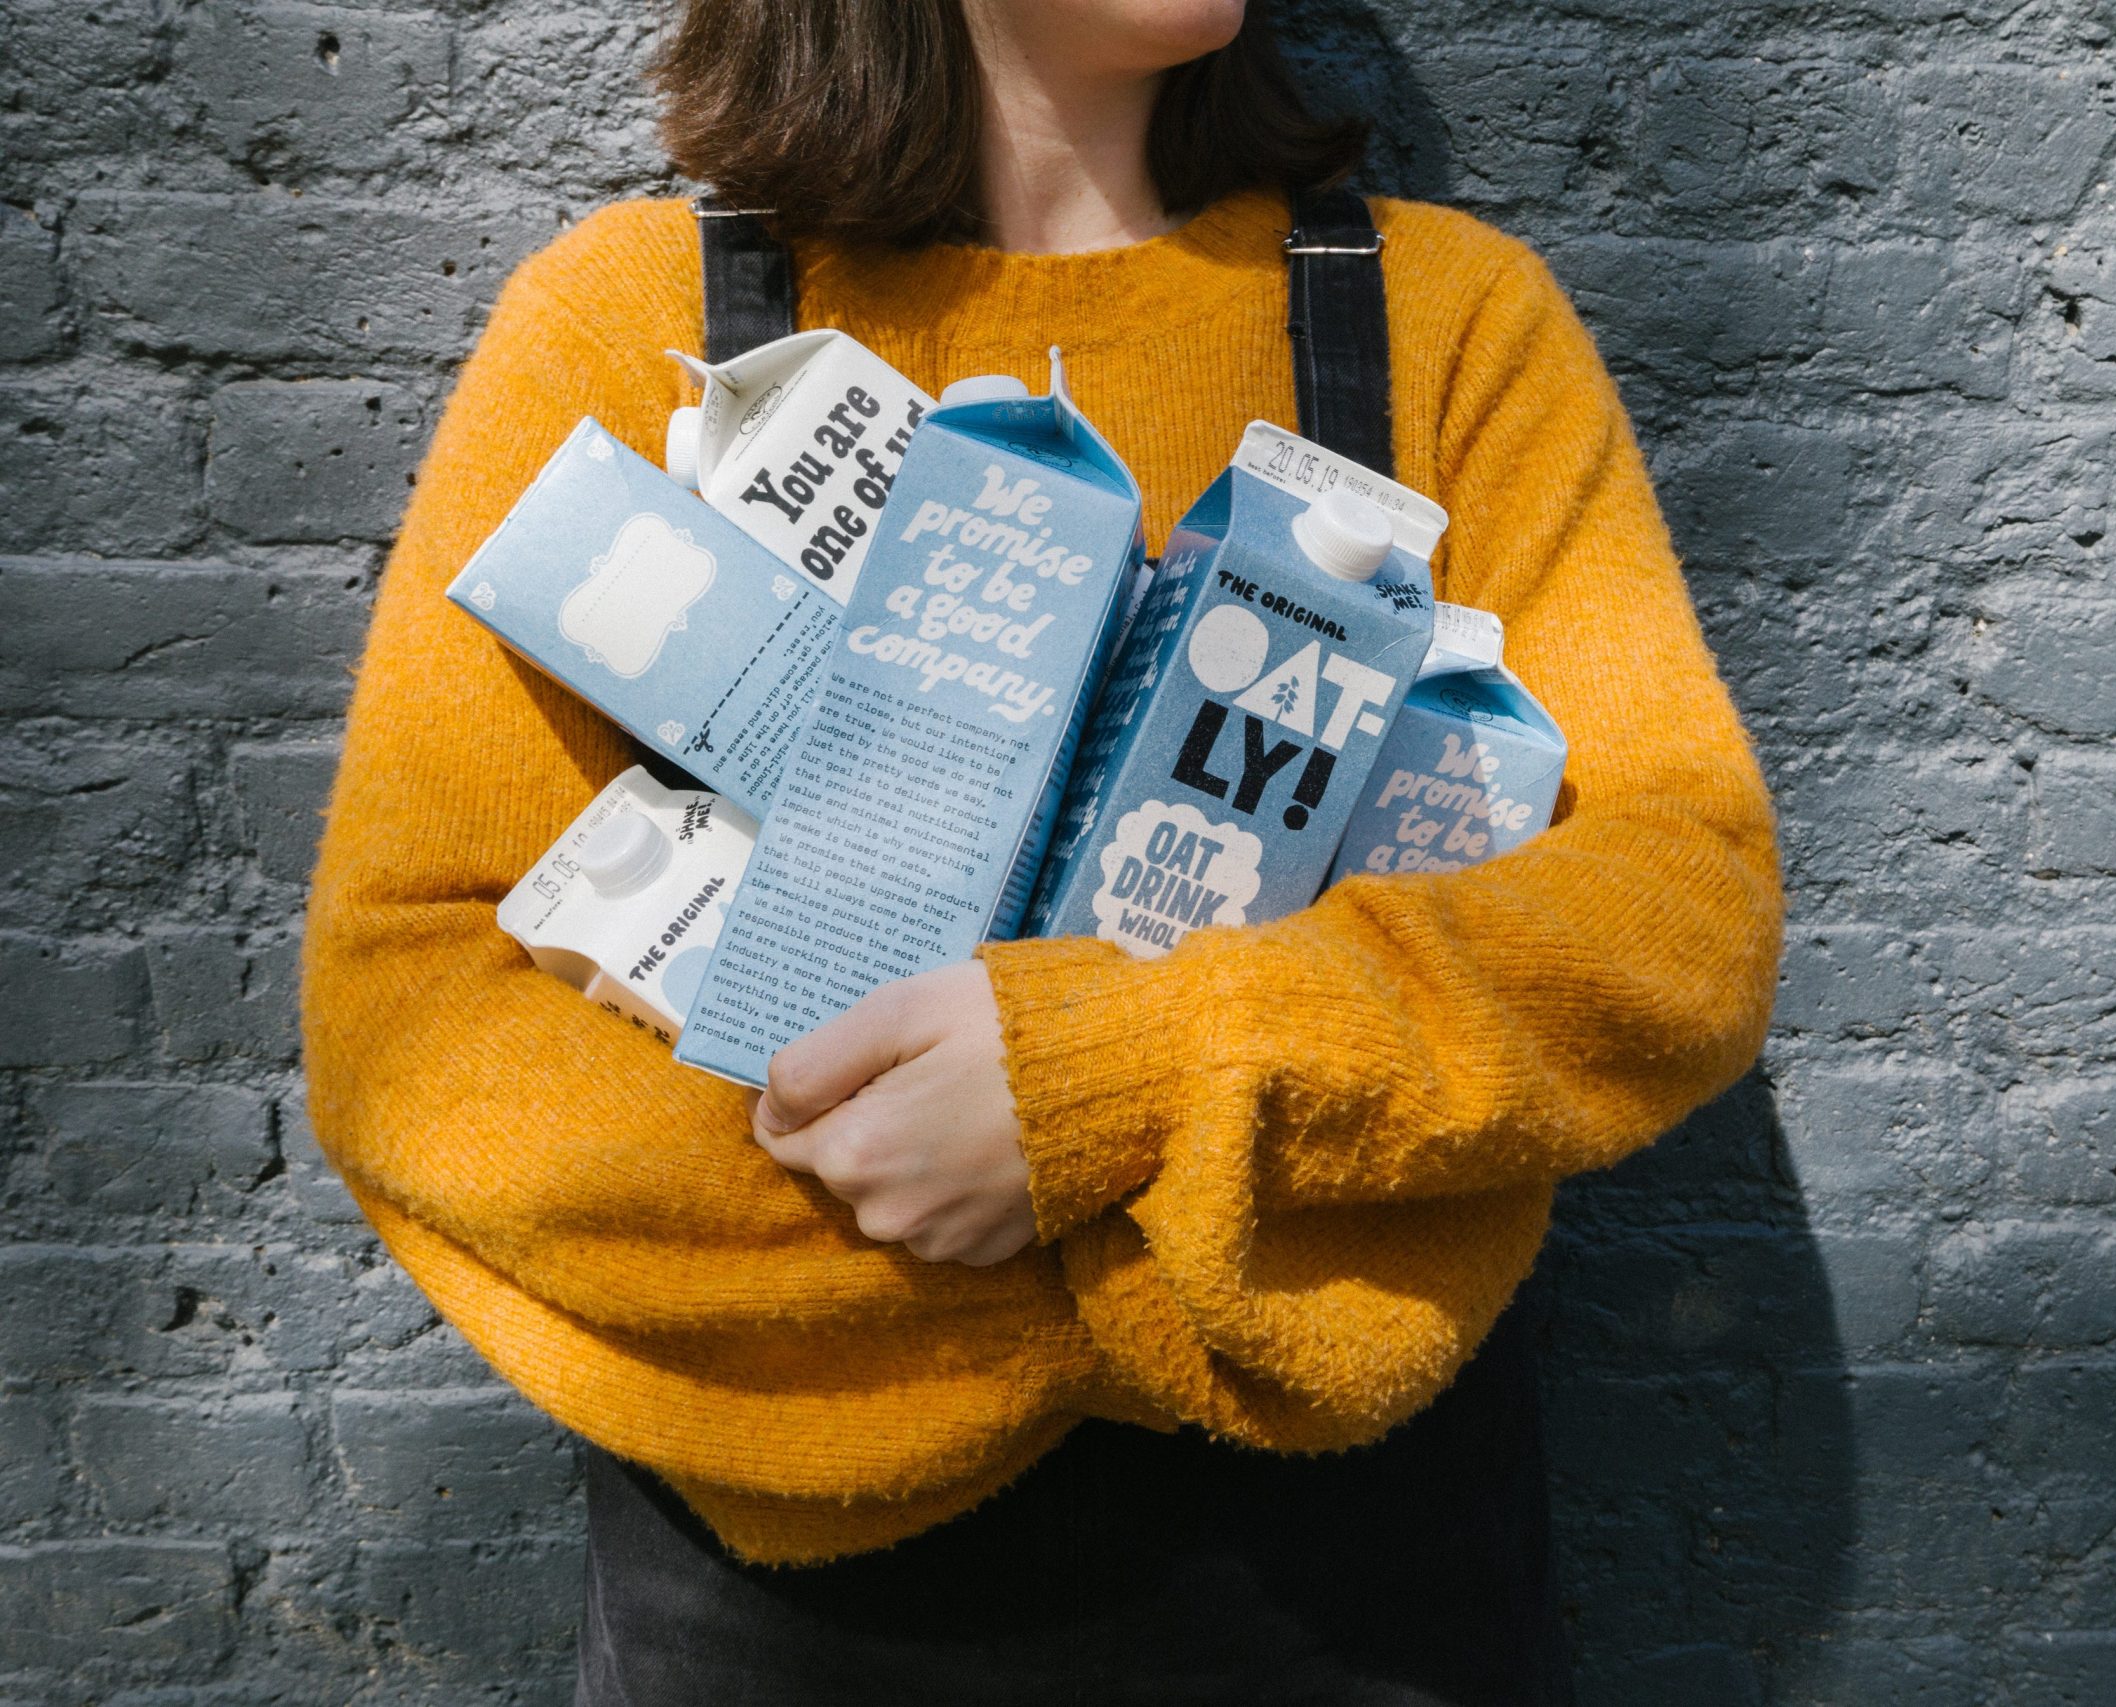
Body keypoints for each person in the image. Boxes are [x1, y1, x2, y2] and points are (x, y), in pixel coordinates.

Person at [298, 0, 1785, 1700]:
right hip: (796, 1620)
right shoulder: (634, 329)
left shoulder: (1443, 323)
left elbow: (1677, 909)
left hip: (1349, 1605)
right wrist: (1182, 1270)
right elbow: (411, 1009)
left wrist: (1112, 1086)